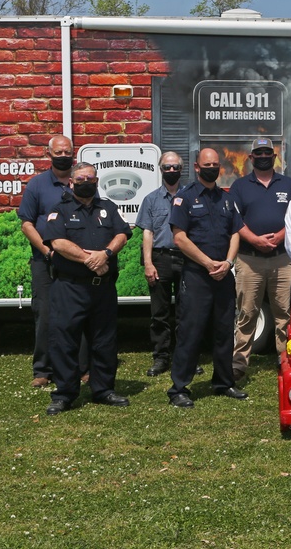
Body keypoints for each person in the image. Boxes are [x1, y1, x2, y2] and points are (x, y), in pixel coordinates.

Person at [44, 162, 132, 416]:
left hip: (102, 288)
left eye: (90, 179)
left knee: (104, 340)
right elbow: (58, 242)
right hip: (69, 287)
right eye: (80, 178)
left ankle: (103, 389)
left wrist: (106, 254)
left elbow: (123, 235)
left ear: (97, 181)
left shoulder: (109, 208)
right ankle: (64, 394)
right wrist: (90, 260)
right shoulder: (59, 210)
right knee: (65, 341)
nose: (86, 182)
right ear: (71, 182)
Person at [166, 148, 247, 408]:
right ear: (197, 167)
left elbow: (235, 233)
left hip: (224, 275)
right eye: (207, 164)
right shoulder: (185, 198)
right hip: (198, 275)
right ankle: (179, 387)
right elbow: (179, 237)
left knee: (224, 331)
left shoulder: (226, 198)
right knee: (191, 331)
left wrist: (228, 262)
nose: (212, 167)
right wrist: (208, 263)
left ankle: (223, 382)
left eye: (215, 164)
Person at [17, 135, 88, 388]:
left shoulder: (81, 183)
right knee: (45, 314)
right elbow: (26, 224)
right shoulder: (37, 185)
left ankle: (81, 368)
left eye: (67, 151)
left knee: (78, 313)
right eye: (58, 152)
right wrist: (47, 252)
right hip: (44, 260)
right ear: (49, 154)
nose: (63, 155)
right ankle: (43, 370)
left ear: (74, 153)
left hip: (75, 260)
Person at [229, 138, 291, 381]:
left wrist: (280, 236)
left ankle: (285, 360)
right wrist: (256, 240)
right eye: (258, 153)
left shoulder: (289, 185)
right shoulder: (239, 186)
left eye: (267, 153)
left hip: (282, 259)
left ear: (275, 155)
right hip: (250, 259)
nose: (263, 156)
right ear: (251, 157)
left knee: (284, 314)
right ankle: (239, 363)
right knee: (247, 313)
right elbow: (235, 221)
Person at [135, 151, 186, 377]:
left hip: (187, 259)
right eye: (167, 167)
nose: (171, 171)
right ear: (160, 169)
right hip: (160, 259)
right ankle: (161, 357)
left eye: (175, 167)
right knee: (159, 313)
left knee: (188, 312)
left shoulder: (191, 196)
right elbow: (147, 233)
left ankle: (186, 357)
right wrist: (148, 263)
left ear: (181, 169)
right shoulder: (151, 199)